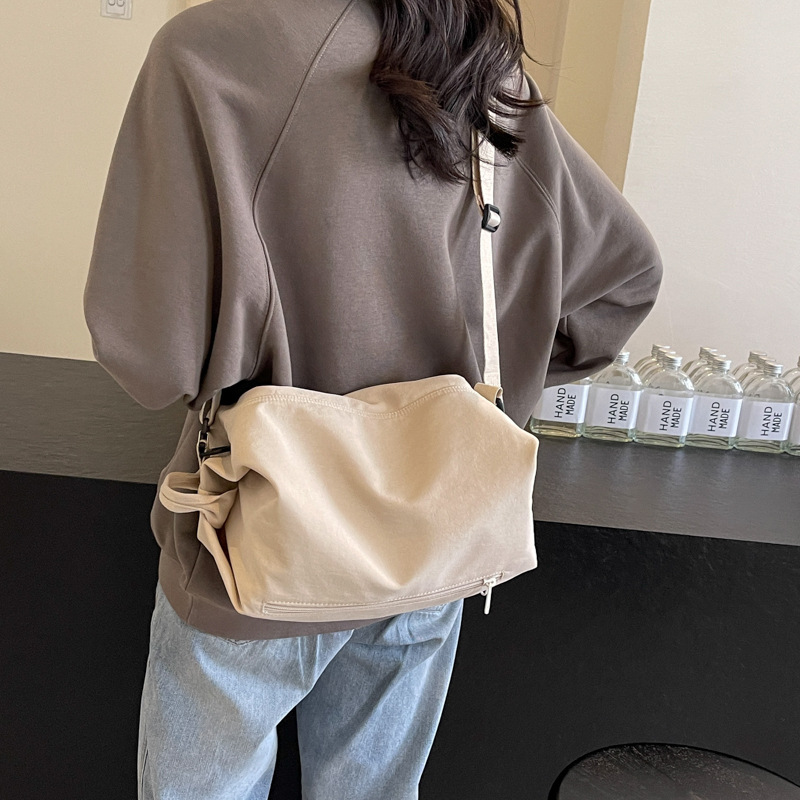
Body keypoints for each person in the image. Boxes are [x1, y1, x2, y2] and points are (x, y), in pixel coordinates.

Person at [83, 0, 663, 797]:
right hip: (430, 534)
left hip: (257, 533)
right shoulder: (473, 58)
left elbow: (149, 356)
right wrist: (493, 394)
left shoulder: (206, 53)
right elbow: (624, 280)